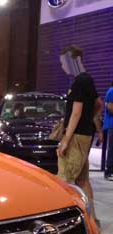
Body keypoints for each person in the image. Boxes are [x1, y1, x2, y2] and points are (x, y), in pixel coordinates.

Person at [56, 46, 102, 216]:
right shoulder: (87, 80)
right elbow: (99, 105)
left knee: (64, 180)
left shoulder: (80, 82)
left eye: (63, 62)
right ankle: (91, 220)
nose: (62, 66)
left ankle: (64, 221)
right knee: (82, 180)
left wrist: (66, 141)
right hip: (84, 136)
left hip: (76, 137)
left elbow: (76, 112)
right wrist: (88, 121)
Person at [104, 81, 113, 180]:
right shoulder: (112, 91)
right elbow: (110, 108)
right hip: (112, 124)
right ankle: (109, 171)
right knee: (112, 149)